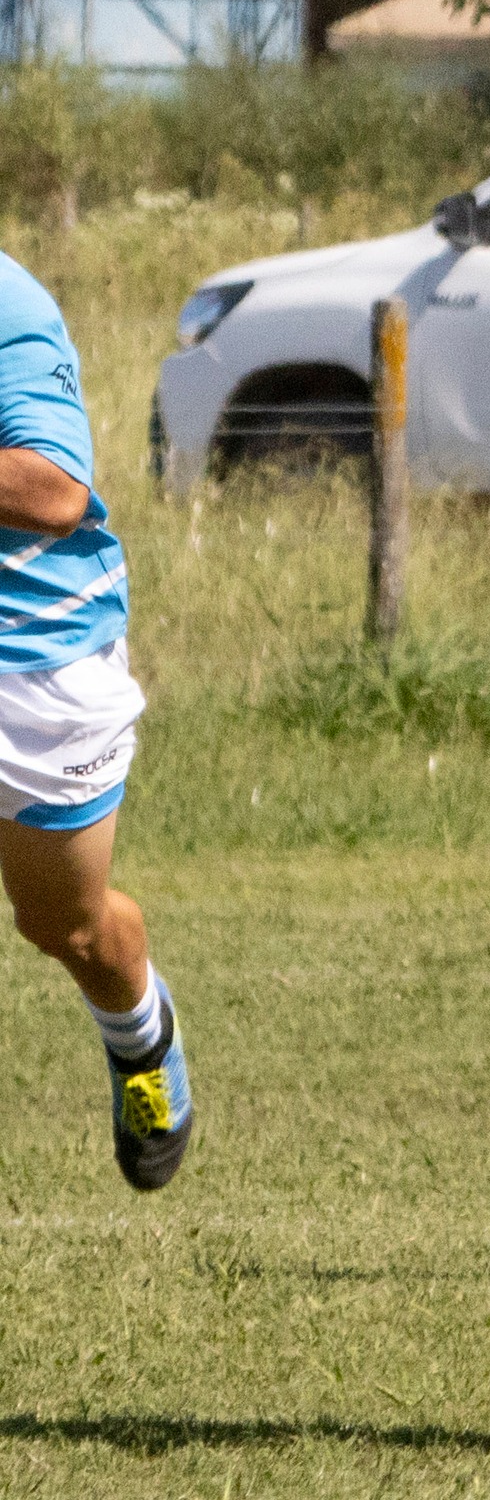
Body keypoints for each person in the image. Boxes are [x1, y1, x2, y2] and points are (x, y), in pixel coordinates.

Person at [0, 250, 193, 1192]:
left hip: (34, 669)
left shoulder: (9, 304)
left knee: (67, 927)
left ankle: (139, 1033)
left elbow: (53, 491)